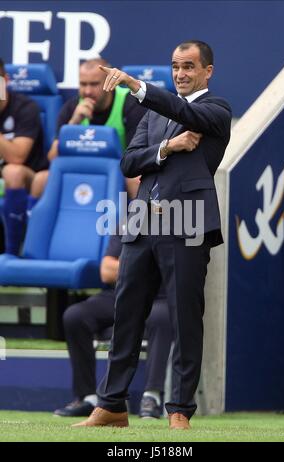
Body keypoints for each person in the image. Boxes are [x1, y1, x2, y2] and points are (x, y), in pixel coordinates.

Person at [73, 40, 232, 430]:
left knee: (184, 316)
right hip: (143, 220)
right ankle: (111, 404)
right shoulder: (154, 118)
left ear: (207, 71)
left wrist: (134, 85)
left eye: (189, 67)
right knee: (126, 313)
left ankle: (179, 409)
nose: (180, 73)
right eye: (176, 66)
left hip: (188, 221)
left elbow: (179, 109)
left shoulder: (217, 110)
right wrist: (167, 147)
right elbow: (129, 161)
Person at [54, 233, 172, 419]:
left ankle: (152, 397)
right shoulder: (128, 223)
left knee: (160, 317)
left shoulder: (178, 220)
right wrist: (146, 267)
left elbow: (172, 269)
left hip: (161, 298)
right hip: (123, 293)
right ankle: (88, 398)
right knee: (75, 316)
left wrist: (129, 266)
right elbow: (107, 271)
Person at [30, 58, 146, 203]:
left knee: (135, 181)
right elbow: (52, 157)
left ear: (109, 82)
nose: (87, 91)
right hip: (80, 169)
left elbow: (135, 160)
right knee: (40, 180)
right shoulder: (71, 108)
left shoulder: (129, 105)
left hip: (118, 171)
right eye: (83, 84)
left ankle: (143, 224)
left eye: (94, 84)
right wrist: (73, 123)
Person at [0, 58, 47, 255]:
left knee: (13, 171)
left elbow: (17, 156)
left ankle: (12, 253)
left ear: (6, 80)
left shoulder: (26, 108)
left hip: (28, 176)